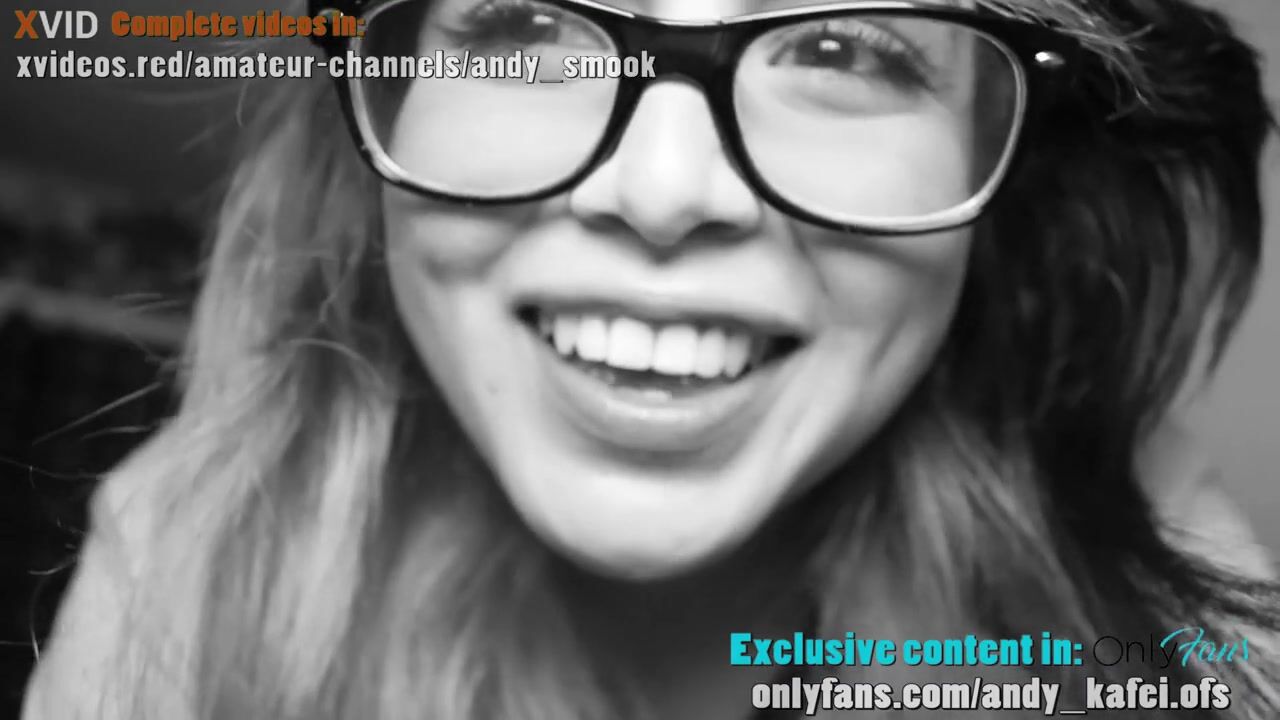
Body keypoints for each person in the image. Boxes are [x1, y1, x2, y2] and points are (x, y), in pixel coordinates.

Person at [22, 0, 1280, 718]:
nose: (665, 189)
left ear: (991, 175)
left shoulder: (1155, 618)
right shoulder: (188, 566)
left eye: (844, 48)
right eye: (522, 18)